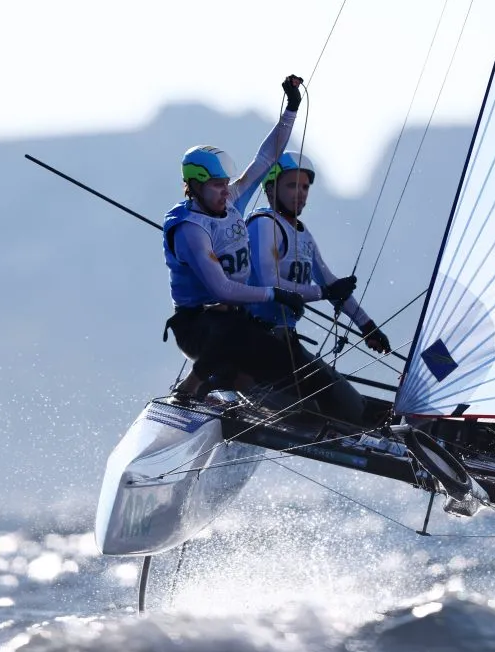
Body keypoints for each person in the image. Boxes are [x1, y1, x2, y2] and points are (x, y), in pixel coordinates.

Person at [162, 76, 307, 397]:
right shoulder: (190, 229)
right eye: (216, 185)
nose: (225, 190)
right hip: (196, 327)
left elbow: (266, 158)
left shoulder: (232, 200)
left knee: (277, 357)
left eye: (225, 182)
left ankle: (233, 388)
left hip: (231, 318)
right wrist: (275, 293)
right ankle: (189, 388)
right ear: (195, 186)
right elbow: (220, 288)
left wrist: (291, 110)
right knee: (233, 335)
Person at [245, 151, 392, 424]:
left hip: (285, 343)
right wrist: (324, 294)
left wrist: (367, 326)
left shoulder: (303, 234)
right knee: (318, 407)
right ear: (270, 189)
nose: (300, 193)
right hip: (254, 342)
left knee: (350, 405)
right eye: (291, 186)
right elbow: (269, 281)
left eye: (304, 187)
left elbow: (330, 283)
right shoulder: (263, 224)